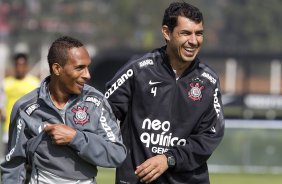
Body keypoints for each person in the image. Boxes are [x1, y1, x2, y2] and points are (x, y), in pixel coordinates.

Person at [105, 2, 224, 184]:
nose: (193, 41)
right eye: (185, 33)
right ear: (167, 33)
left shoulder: (209, 81)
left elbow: (209, 136)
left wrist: (169, 158)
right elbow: (103, 114)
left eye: (198, 33)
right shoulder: (137, 71)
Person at [0, 36, 126, 184]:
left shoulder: (96, 102)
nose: (87, 75)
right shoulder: (26, 108)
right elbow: (14, 166)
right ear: (57, 69)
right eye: (79, 68)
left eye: (87, 67)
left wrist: (75, 138)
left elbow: (117, 154)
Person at [2, 53, 40, 153]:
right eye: (17, 65)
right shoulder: (6, 83)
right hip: (10, 126)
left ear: (26, 66)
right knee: (9, 158)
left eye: (22, 65)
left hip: (29, 127)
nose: (20, 68)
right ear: (14, 66)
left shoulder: (34, 83)